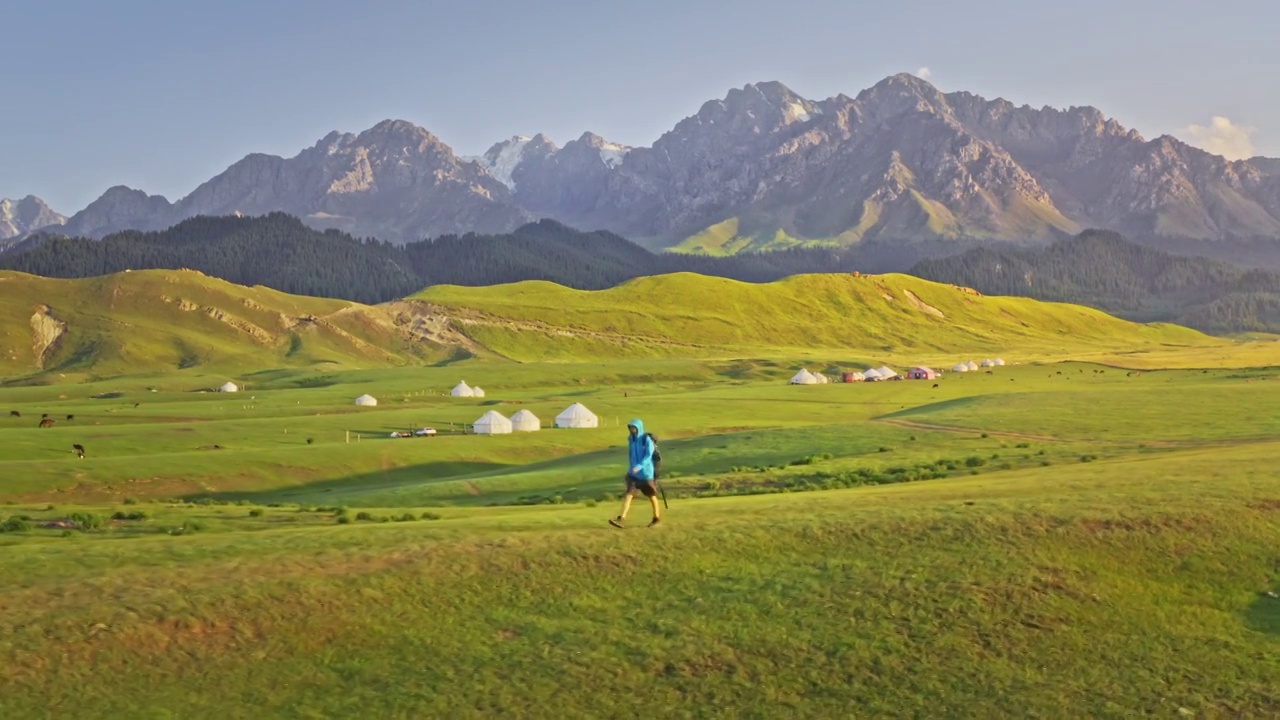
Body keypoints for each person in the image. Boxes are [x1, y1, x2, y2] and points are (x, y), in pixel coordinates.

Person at [610, 418, 660, 528]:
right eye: (631, 427)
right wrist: (631, 470)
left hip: (646, 474)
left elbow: (648, 456)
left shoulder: (646, 439)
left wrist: (639, 466)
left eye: (634, 427)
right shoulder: (631, 439)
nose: (632, 429)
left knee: (651, 496)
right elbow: (632, 456)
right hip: (634, 475)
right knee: (629, 495)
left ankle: (656, 518)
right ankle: (621, 519)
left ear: (639, 428)